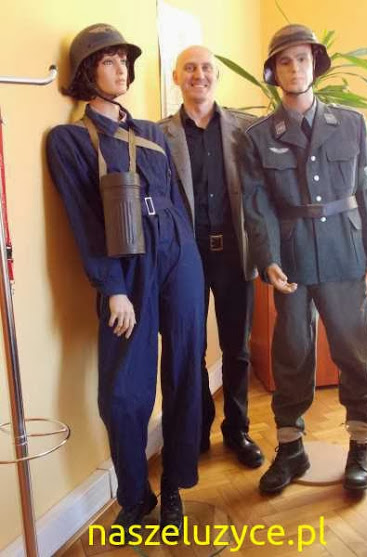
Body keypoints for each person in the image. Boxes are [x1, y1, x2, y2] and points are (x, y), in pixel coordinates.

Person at [47, 24, 205, 535]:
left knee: (185, 369)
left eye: (124, 61)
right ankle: (136, 495)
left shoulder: (153, 134)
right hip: (128, 266)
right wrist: (112, 287)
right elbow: (84, 220)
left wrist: (189, 257)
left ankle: (176, 484)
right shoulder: (71, 140)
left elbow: (176, 201)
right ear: (85, 72)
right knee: (123, 394)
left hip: (179, 256)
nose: (121, 70)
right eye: (108, 61)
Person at [240, 24, 367, 493]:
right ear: (274, 72)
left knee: (355, 349)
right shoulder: (257, 137)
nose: (295, 68)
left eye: (302, 59)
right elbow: (257, 205)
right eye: (285, 61)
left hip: (345, 251)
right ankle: (291, 449)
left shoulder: (352, 124)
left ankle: (360, 443)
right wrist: (267, 258)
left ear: (314, 65)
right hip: (292, 259)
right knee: (292, 353)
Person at [159, 46, 264, 468]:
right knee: (192, 348)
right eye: (189, 68)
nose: (198, 75)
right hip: (187, 258)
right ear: (176, 77)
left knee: (237, 348)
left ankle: (237, 430)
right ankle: (198, 429)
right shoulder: (159, 135)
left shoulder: (246, 129)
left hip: (235, 253)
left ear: (216, 75)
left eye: (205, 68)